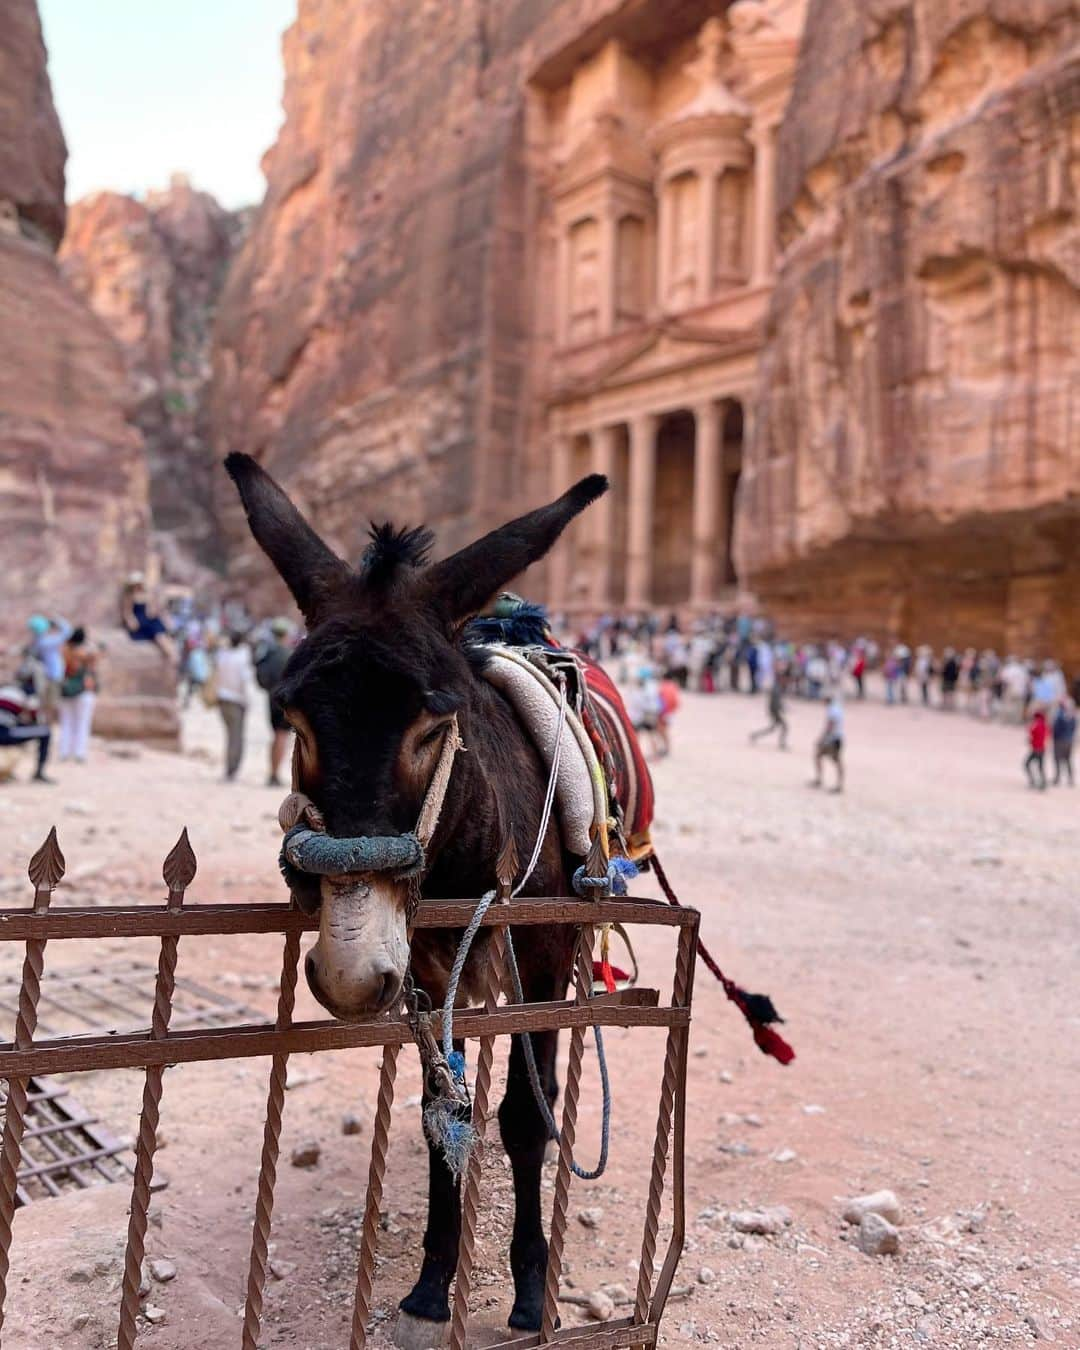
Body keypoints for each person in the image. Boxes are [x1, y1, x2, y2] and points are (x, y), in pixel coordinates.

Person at [256, 618, 294, 787]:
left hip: (271, 699)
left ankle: (272, 772)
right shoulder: (289, 654)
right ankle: (274, 774)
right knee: (281, 737)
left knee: (276, 736)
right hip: (285, 700)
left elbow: (260, 677)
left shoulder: (267, 653)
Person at [214, 632, 252, 782]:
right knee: (236, 737)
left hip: (222, 699)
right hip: (236, 700)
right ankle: (232, 769)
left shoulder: (222, 656)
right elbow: (244, 682)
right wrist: (247, 701)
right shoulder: (242, 658)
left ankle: (230, 768)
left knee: (229, 735)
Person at [0, 679, 54, 783]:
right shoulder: (29, 692)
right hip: (5, 732)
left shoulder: (4, 689)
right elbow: (36, 718)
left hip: (7, 729)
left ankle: (7, 771)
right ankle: (39, 773)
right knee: (45, 731)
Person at [57, 628, 98, 763]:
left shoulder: (65, 651)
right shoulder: (85, 654)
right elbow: (96, 656)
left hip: (66, 690)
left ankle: (64, 752)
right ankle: (79, 753)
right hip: (82, 691)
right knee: (82, 723)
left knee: (67, 722)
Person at [26, 614, 72, 722]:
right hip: (53, 676)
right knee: (50, 704)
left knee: (46, 704)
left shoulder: (39, 642)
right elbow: (67, 632)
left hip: (47, 676)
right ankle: (46, 728)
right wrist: (56, 620)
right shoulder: (47, 642)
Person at [120, 574, 175, 662]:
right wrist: (131, 621)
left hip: (148, 619)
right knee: (158, 635)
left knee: (160, 633)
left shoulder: (146, 594)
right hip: (140, 622)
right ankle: (170, 654)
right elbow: (127, 612)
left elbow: (151, 609)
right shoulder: (129, 596)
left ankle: (171, 654)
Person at [810, 692, 845, 792]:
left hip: (832, 740)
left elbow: (830, 726)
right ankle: (837, 784)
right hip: (836, 738)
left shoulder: (832, 711)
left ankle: (822, 780)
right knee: (835, 762)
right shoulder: (837, 708)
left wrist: (821, 738)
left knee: (830, 760)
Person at [750, 674, 789, 750]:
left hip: (774, 711)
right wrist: (781, 709)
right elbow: (775, 703)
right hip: (775, 712)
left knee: (772, 728)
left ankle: (755, 735)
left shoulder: (777, 687)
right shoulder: (776, 689)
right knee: (784, 727)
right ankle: (782, 743)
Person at [1052, 699, 1076, 787]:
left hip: (1060, 740)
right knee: (1068, 760)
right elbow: (1074, 728)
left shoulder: (1059, 715)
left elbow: (1056, 728)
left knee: (1058, 759)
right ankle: (1070, 778)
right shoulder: (1071, 715)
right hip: (1069, 740)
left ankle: (1058, 778)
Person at [1024, 707, 1048, 790]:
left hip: (1037, 749)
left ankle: (1034, 781)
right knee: (1040, 766)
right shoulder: (1044, 724)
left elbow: (1031, 733)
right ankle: (1042, 783)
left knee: (1027, 764)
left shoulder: (1037, 724)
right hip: (1041, 748)